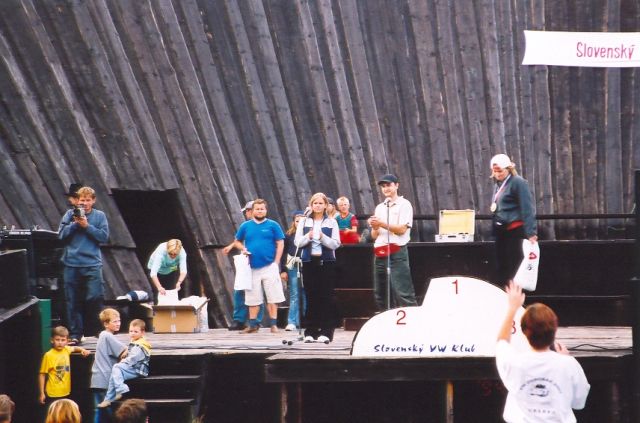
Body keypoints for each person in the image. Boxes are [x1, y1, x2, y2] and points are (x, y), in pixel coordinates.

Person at [497, 282, 590, 422]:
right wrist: (565, 360)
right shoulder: (569, 365)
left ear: (524, 331)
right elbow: (579, 403)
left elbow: (502, 342)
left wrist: (512, 308)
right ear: (555, 330)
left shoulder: (514, 363)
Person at [224, 199, 285, 334]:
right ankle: (252, 325)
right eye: (257, 209)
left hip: (269, 265)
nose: (260, 211)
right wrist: (243, 248)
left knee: (273, 296)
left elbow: (280, 243)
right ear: (252, 211)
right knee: (252, 297)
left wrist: (276, 262)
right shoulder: (245, 226)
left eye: (262, 209)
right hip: (251, 267)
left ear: (266, 210)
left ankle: (273, 325)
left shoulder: (273, 225)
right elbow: (237, 241)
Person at [58, 186, 110, 344]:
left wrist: (87, 226)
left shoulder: (100, 216)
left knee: (95, 297)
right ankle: (75, 334)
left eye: (88, 200)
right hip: (71, 264)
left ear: (93, 201)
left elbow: (104, 237)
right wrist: (75, 224)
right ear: (76, 201)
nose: (85, 203)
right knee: (72, 301)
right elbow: (61, 236)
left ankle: (96, 329)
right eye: (82, 201)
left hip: (92, 264)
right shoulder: (69, 215)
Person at [295, 193, 341, 343]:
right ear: (311, 205)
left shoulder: (331, 222)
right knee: (311, 297)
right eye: (315, 203)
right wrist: (307, 237)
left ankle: (326, 332)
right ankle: (310, 331)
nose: (318, 206)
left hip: (326, 262)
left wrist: (322, 237)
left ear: (326, 205)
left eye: (321, 203)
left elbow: (336, 244)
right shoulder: (304, 221)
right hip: (309, 262)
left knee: (326, 297)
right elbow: (297, 242)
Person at [367, 174, 417, 310]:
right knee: (380, 294)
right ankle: (387, 319)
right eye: (383, 186)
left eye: (388, 185)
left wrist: (381, 223)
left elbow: (401, 230)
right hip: (379, 252)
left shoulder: (404, 204)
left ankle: (414, 320)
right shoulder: (379, 207)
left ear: (397, 185)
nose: (386, 188)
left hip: (397, 252)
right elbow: (374, 235)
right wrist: (374, 226)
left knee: (403, 293)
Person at [490, 154, 538, 286]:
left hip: (514, 231)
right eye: (495, 171)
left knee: (514, 268)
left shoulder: (518, 182)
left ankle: (516, 295)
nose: (497, 174)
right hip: (500, 230)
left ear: (508, 169)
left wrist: (531, 232)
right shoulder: (498, 184)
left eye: (500, 171)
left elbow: (527, 208)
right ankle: (504, 293)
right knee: (501, 267)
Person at [225, 201, 264, 330]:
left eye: (247, 211)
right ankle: (239, 320)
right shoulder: (246, 226)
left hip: (259, 261)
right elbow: (238, 239)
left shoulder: (264, 225)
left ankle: (256, 320)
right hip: (245, 260)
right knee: (240, 289)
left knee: (257, 290)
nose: (247, 213)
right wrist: (232, 246)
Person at [98, 320, 151, 408]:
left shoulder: (140, 345)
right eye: (131, 331)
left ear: (142, 332)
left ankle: (121, 389)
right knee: (114, 373)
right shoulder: (136, 342)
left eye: (136, 332)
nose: (132, 333)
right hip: (133, 368)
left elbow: (133, 358)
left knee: (116, 367)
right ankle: (108, 399)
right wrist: (126, 351)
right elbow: (131, 351)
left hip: (138, 369)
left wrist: (123, 361)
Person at [39, 326, 90, 409]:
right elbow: (42, 374)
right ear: (52, 340)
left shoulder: (66, 350)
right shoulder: (48, 355)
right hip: (53, 393)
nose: (60, 342)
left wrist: (82, 350)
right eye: (57, 340)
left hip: (66, 392)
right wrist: (42, 393)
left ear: (67, 341)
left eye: (63, 340)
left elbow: (74, 348)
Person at [91, 308, 127, 422]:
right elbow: (124, 350)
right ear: (106, 324)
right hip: (105, 379)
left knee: (99, 410)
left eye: (119, 321)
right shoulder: (107, 336)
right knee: (110, 410)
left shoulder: (103, 335)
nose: (118, 323)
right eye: (115, 321)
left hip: (97, 379)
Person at [280, 211, 306, 331]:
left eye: (302, 221)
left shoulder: (308, 235)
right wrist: (283, 270)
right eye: (297, 221)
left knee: (306, 293)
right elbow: (283, 253)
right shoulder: (288, 236)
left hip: (306, 265)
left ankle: (306, 320)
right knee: (294, 293)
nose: (299, 223)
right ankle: (292, 321)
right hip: (293, 265)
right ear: (293, 222)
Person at [147, 239, 187, 304]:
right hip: (156, 269)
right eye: (170, 253)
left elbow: (183, 271)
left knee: (170, 292)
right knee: (157, 293)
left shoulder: (182, 253)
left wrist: (179, 282)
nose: (173, 256)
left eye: (175, 254)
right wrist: (159, 287)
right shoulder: (161, 251)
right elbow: (153, 273)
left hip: (171, 268)